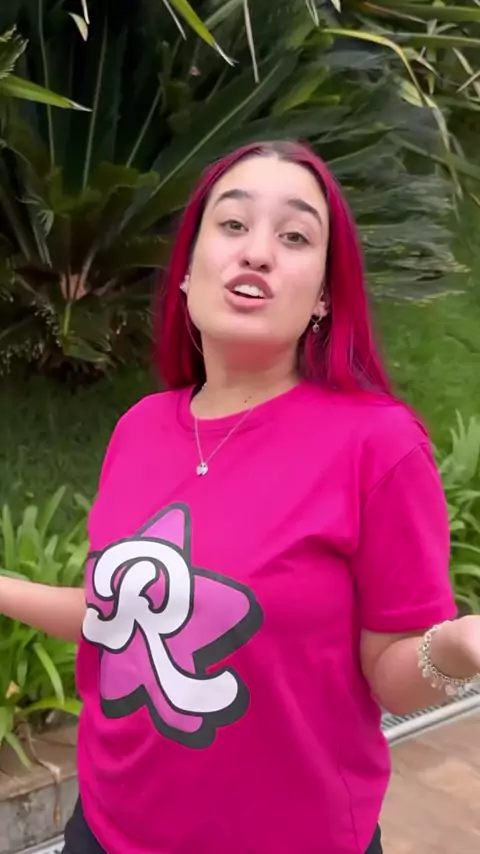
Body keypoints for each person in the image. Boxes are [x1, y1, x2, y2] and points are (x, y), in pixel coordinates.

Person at [2, 139, 480, 854]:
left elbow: (391, 678)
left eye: (295, 237)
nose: (257, 252)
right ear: (186, 273)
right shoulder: (141, 429)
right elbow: (123, 615)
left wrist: (459, 647)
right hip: (105, 829)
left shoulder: (376, 445)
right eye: (232, 225)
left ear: (324, 296)